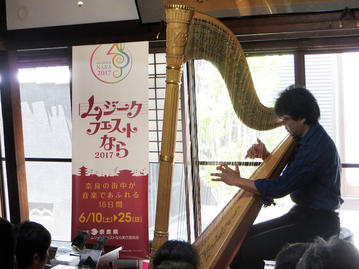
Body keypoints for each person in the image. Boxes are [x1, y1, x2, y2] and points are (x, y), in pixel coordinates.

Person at [211, 85, 343, 269]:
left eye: (286, 120)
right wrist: (266, 156)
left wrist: (236, 181)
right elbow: (294, 175)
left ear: (303, 117)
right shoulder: (306, 138)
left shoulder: (315, 147)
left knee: (246, 250)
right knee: (242, 238)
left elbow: (280, 187)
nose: (284, 125)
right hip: (303, 214)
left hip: (319, 223)